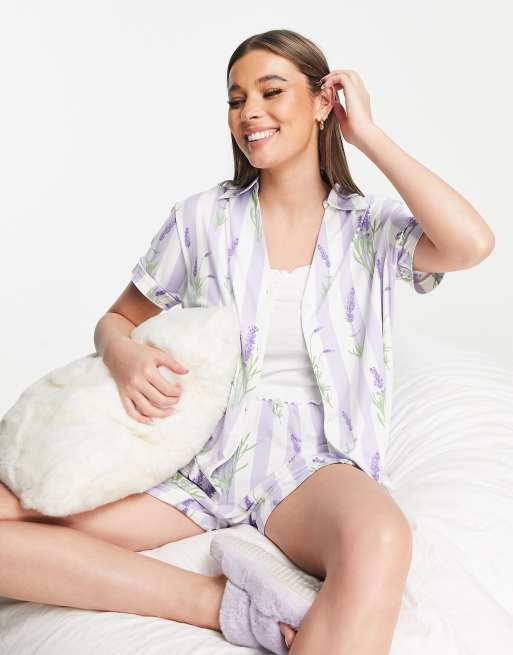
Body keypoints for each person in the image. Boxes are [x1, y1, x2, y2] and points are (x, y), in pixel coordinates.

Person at [0, 28, 494, 655]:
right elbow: (115, 321)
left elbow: (471, 244)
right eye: (236, 100)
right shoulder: (201, 218)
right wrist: (124, 357)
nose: (249, 112)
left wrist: (366, 134)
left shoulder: (370, 226)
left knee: (380, 538)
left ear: (323, 103)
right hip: (199, 460)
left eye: (271, 92)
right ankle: (223, 604)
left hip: (313, 464)